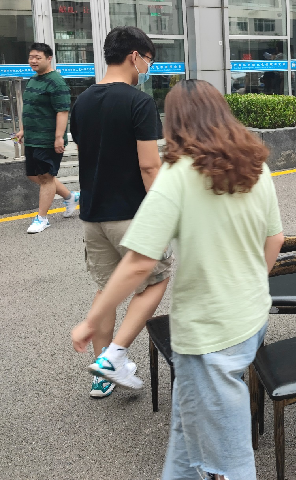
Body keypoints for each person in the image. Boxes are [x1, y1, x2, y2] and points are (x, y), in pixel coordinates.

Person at [72, 80, 284, 480]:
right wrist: (250, 281)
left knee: (231, 457)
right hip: (250, 317)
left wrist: (91, 320)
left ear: (175, 123)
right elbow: (275, 239)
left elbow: (139, 263)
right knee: (188, 440)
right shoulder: (256, 165)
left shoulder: (178, 174)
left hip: (208, 333)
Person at [70, 26, 172, 399]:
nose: (148, 68)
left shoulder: (82, 101)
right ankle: (115, 355)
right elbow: (149, 165)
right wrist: (163, 210)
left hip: (92, 214)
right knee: (157, 278)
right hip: (131, 213)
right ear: (135, 56)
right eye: (149, 60)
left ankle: (102, 376)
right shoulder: (139, 103)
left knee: (107, 289)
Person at [15, 43, 79, 234]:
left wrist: (59, 137)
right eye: (31, 57)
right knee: (33, 175)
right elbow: (31, 107)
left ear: (49, 58)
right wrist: (23, 130)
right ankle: (71, 197)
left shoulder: (56, 82)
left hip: (47, 139)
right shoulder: (34, 79)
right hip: (32, 137)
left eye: (38, 57)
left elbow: (62, 111)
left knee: (46, 177)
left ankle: (42, 218)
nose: (33, 61)